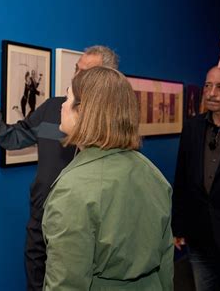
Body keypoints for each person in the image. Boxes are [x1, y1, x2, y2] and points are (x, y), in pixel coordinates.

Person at [0, 45, 119, 291]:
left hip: (83, 229)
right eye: (76, 69)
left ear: (106, 79)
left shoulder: (114, 124)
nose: (76, 77)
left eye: (85, 72)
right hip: (41, 221)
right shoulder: (54, 110)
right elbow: (11, 138)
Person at [42, 66, 173, 290]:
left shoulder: (73, 189)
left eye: (67, 97)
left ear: (83, 111)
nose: (62, 105)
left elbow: (65, 283)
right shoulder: (153, 173)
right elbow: (166, 263)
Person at [172, 66, 220, 291]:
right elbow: (181, 179)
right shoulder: (192, 127)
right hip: (199, 237)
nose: (211, 93)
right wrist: (178, 226)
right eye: (207, 85)